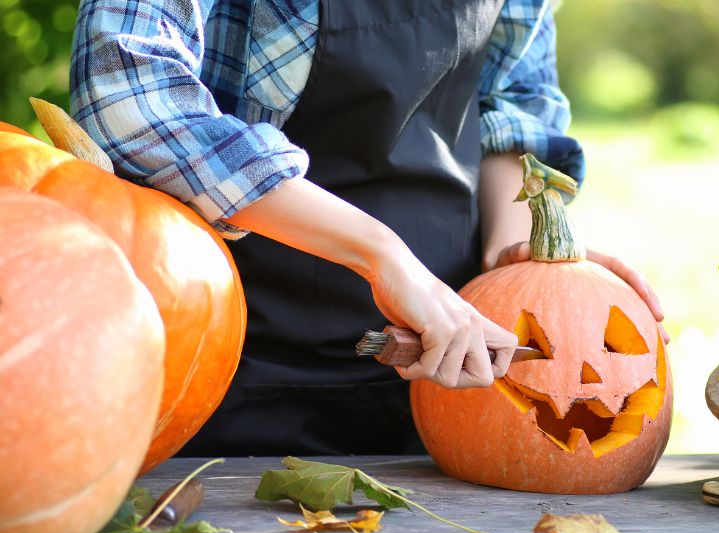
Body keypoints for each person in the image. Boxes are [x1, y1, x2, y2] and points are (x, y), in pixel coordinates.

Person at [71, 0, 665, 456]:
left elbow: (515, 104)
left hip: (448, 373)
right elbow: (129, 95)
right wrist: (382, 254)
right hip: (224, 372)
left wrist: (513, 272)